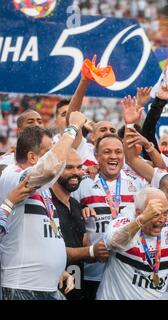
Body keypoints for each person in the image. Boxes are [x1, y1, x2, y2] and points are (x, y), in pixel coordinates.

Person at [0, 112, 86, 300]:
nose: (56, 156)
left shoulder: (44, 188)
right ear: (32, 157)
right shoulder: (13, 176)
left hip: (46, 286)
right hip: (22, 287)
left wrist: (55, 269)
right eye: (50, 151)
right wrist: (72, 128)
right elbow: (49, 167)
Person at [72, 134, 147, 300]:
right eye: (107, 152)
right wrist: (80, 210)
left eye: (118, 152)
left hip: (127, 274)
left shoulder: (138, 184)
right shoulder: (82, 183)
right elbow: (67, 213)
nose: (113, 156)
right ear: (96, 156)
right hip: (92, 272)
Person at [50, 149, 109, 300]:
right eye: (69, 167)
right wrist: (91, 251)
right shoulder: (46, 204)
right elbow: (49, 251)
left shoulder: (76, 205)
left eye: (79, 167)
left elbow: (84, 248)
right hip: (51, 289)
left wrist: (105, 250)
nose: (76, 172)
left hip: (76, 289)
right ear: (55, 168)